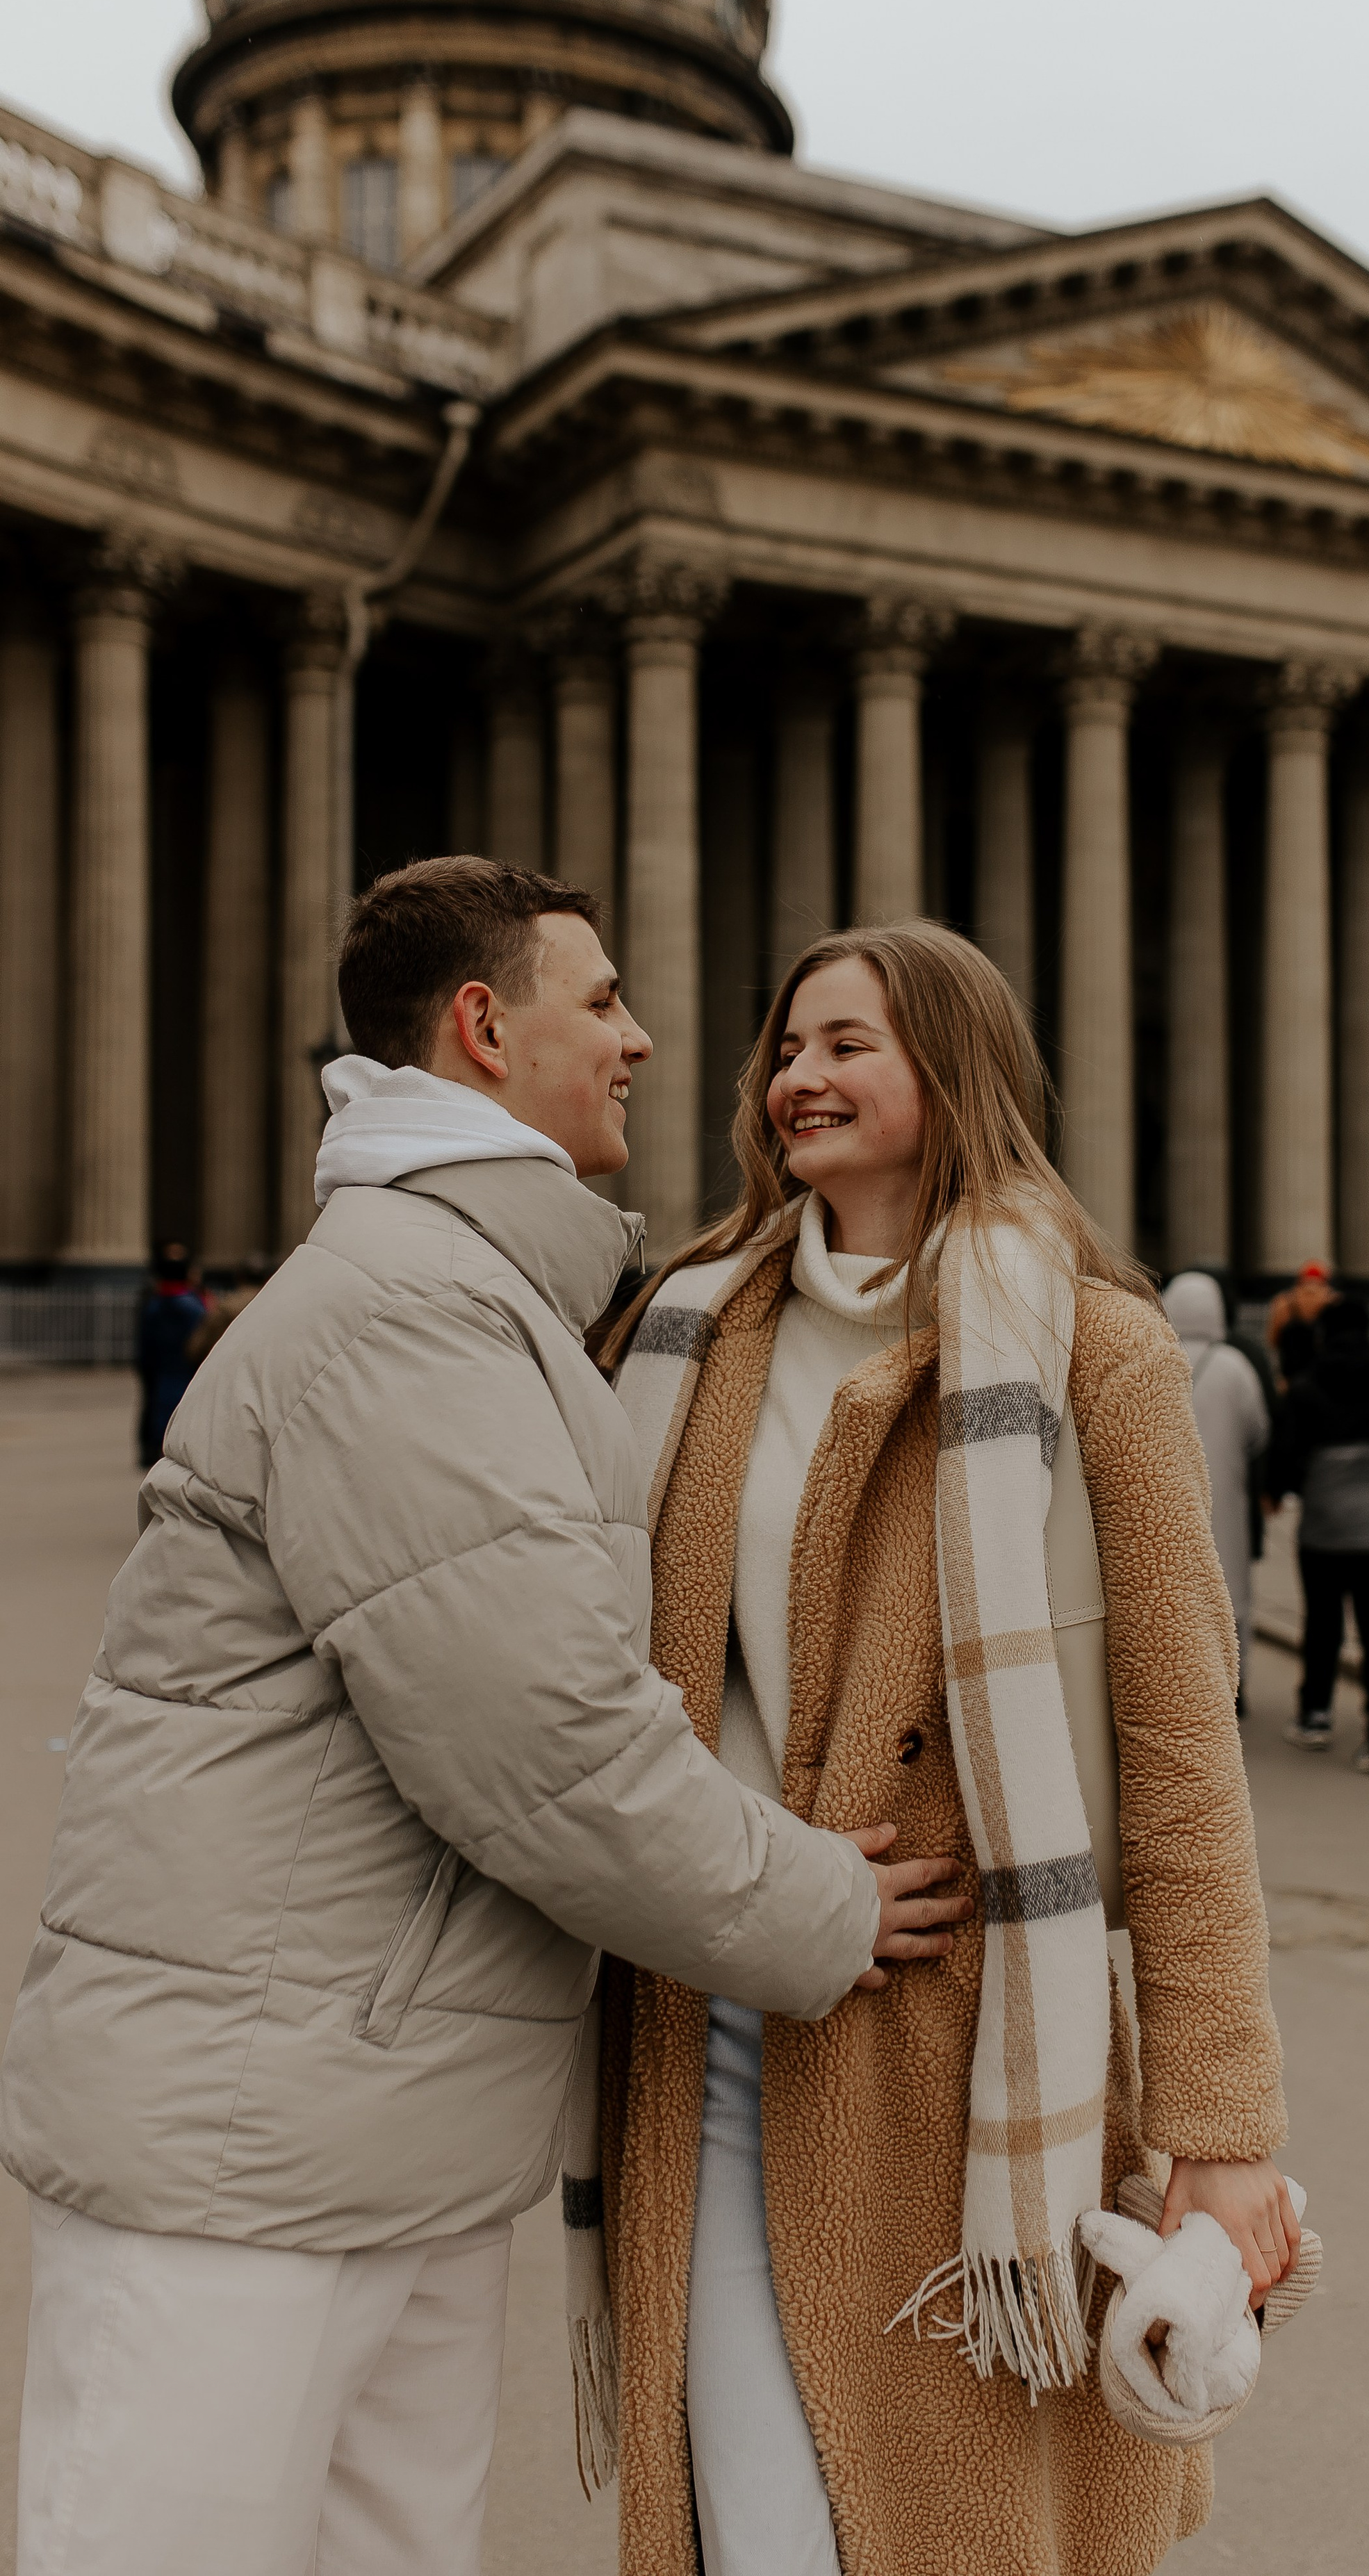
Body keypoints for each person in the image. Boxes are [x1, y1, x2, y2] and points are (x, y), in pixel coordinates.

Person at [1, 857, 956, 2576]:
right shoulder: (410, 1311)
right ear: (480, 1025)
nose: (643, 1038)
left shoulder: (473, 1297)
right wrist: (822, 1903)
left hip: (369, 2130)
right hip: (255, 2151)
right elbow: (549, 1753)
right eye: (599, 1001)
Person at [598, 921, 1293, 2576]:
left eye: (847, 1044)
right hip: (716, 2017)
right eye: (784, 1047)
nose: (797, 1078)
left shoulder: (1092, 1350)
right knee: (756, 2524)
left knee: (949, 2527)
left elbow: (1182, 1748)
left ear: (949, 1068)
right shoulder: (684, 1337)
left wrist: (1222, 2118)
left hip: (973, 2047)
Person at [1265, 1293, 1369, 1776]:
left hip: (1324, 1526)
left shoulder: (1306, 1387)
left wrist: (1281, 1490)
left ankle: (1315, 1714)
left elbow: (1285, 1453)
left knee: (1322, 1623)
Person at [1161, 1270, 1270, 1713]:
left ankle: (1175, 1681)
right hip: (1225, 1494)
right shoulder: (1234, 1367)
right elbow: (1259, 1431)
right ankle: (1232, 1683)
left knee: (1171, 1588)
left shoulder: (1152, 1356)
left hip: (1167, 1494)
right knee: (1230, 1586)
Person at [133, 1242, 208, 1465]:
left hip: (160, 1364)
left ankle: (152, 1448)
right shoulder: (193, 1305)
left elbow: (145, 1337)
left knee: (155, 1405)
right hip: (184, 1365)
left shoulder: (155, 1303)